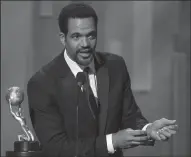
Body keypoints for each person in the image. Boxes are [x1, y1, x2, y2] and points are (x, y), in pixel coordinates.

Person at [27, 3, 178, 157]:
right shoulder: (42, 84)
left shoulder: (115, 67)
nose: (85, 44)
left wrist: (148, 129)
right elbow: (56, 148)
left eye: (91, 35)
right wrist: (112, 142)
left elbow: (130, 117)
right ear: (62, 38)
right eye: (76, 36)